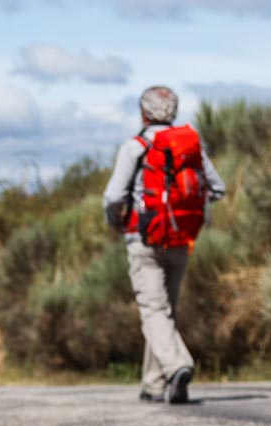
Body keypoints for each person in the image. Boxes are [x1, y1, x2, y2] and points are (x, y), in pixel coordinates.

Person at [103, 85, 226, 405]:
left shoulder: (136, 147)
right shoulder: (189, 146)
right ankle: (153, 384)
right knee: (164, 311)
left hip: (144, 240)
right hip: (182, 239)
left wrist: (116, 221)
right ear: (173, 112)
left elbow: (114, 196)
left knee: (153, 310)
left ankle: (177, 366)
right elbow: (218, 188)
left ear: (143, 113)